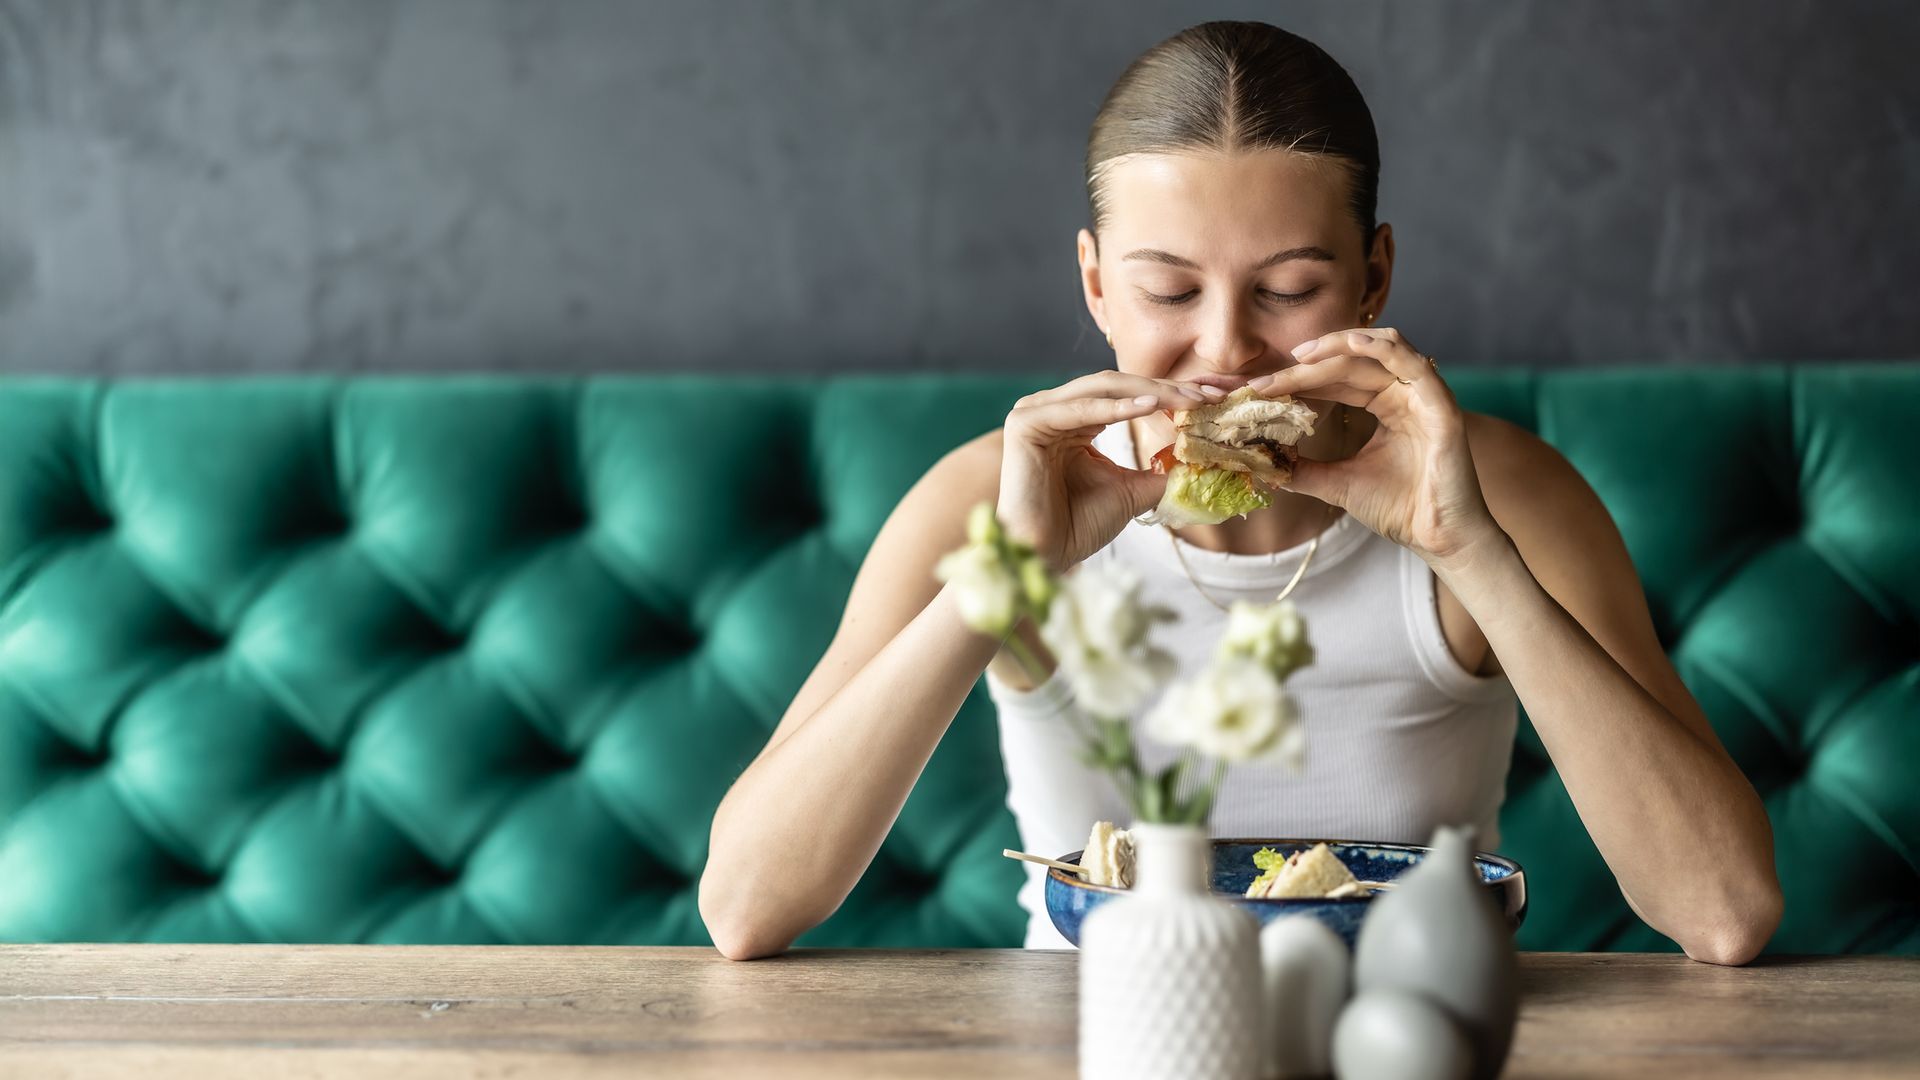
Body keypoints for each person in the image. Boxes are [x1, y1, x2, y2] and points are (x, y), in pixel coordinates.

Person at [700, 20, 1781, 964]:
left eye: (1290, 289)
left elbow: (1725, 914)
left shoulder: (1508, 496)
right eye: (1169, 288)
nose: (1226, 350)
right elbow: (747, 907)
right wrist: (1002, 582)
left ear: (1374, 279)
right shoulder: (985, 500)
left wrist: (1469, 553)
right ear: (1093, 284)